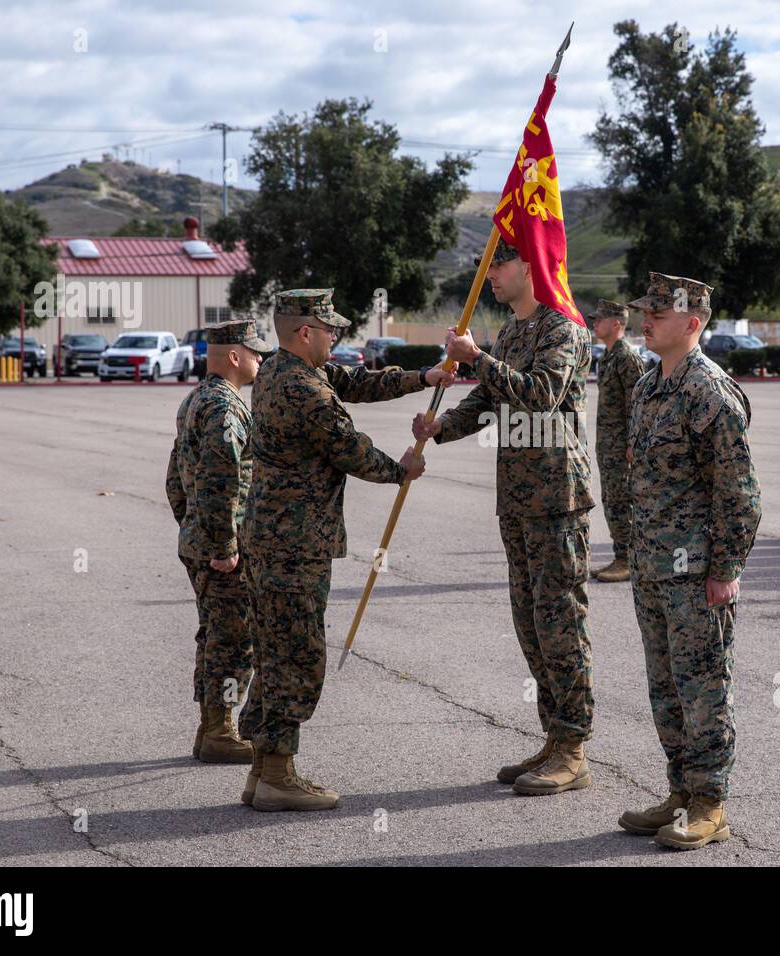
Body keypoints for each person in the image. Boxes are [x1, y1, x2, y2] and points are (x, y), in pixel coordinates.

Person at [243, 288, 442, 811]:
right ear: (306, 331)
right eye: (330, 328)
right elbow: (348, 448)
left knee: (272, 650)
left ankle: (263, 770)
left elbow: (356, 382)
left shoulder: (279, 370)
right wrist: (402, 471)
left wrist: (425, 376)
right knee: (297, 654)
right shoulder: (304, 390)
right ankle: (278, 776)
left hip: (271, 537)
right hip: (294, 542)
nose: (337, 335)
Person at [414, 237, 596, 796]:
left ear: (531, 264)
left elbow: (541, 395)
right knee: (530, 622)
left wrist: (477, 358)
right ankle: (552, 735)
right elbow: (491, 401)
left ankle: (574, 747)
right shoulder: (514, 331)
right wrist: (443, 427)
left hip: (556, 499)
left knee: (560, 621)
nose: (489, 274)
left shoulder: (563, 328)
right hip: (517, 498)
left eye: (499, 262)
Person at [615, 273, 760, 851]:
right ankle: (679, 791)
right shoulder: (650, 383)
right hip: (653, 568)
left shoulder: (709, 392)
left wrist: (725, 570)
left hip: (696, 573)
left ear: (692, 323)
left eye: (656, 313)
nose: (643, 321)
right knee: (665, 687)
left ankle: (710, 803)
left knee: (703, 689)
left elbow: (740, 494)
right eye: (643, 312)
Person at [165, 319, 273, 763]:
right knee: (232, 639)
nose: (260, 359)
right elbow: (220, 482)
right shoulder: (225, 408)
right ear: (234, 356)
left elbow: (175, 478)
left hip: (200, 538)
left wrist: (191, 526)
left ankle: (212, 726)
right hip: (220, 547)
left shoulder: (195, 399)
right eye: (254, 352)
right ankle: (219, 731)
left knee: (215, 634)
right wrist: (224, 545)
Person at [589, 299, 646, 583]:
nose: (594, 324)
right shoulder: (607, 357)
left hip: (623, 446)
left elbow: (638, 404)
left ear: (616, 324)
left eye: (599, 319)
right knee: (612, 500)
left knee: (622, 501)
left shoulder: (626, 357)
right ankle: (620, 555)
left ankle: (628, 560)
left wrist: (634, 443)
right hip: (608, 445)